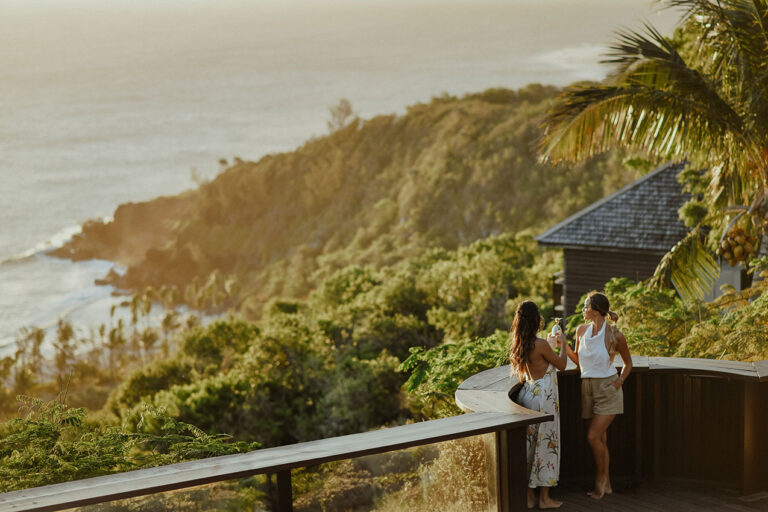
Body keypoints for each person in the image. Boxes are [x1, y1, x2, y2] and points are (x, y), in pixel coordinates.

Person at [564, 292, 632, 500]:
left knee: (593, 436)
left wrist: (619, 382)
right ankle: (608, 483)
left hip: (608, 388)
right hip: (588, 388)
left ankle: (600, 480)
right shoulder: (581, 330)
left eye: (586, 306)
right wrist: (562, 346)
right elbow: (578, 362)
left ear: (595, 309)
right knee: (600, 437)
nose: (583, 310)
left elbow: (628, 363)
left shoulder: (614, 334)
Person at [509, 300, 569, 509]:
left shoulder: (519, 343)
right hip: (545, 398)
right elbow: (562, 365)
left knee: (530, 445)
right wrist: (563, 344)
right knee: (546, 444)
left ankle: (528, 495)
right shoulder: (541, 344)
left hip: (528, 394)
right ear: (537, 320)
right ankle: (544, 498)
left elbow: (532, 366)